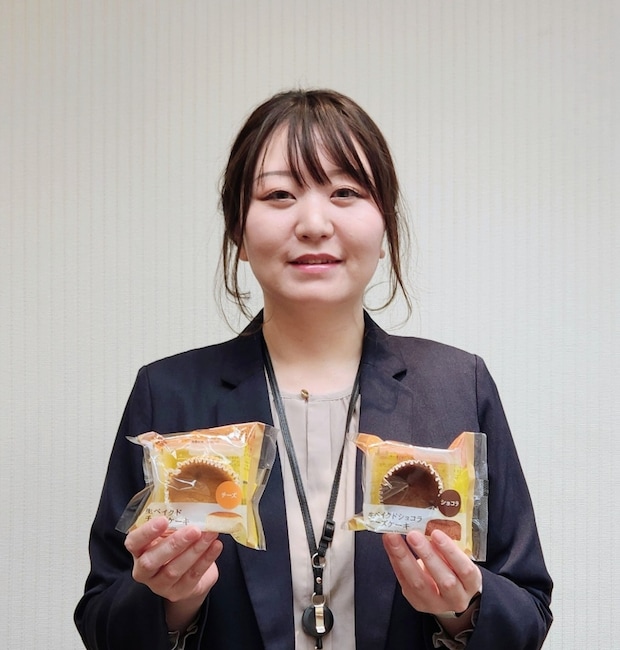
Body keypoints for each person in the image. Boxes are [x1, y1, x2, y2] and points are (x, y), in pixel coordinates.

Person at [74, 89, 553, 650]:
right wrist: (170, 601)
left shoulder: (456, 385)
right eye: (279, 194)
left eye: (345, 192)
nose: (314, 223)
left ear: (384, 225)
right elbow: (102, 619)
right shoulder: (169, 393)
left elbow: (528, 612)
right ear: (238, 231)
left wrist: (462, 608)